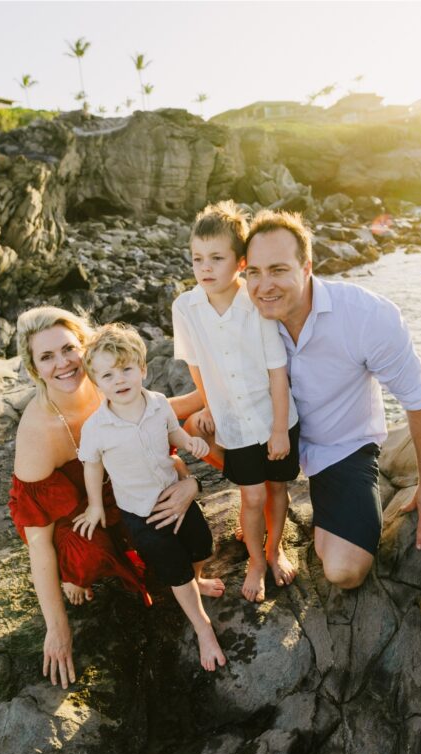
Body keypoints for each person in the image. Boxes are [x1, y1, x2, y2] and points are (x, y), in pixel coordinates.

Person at [9, 307, 219, 689]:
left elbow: (159, 421)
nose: (62, 364)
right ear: (34, 368)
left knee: (178, 513)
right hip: (71, 507)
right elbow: (36, 538)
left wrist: (189, 480)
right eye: (46, 357)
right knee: (84, 553)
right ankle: (73, 574)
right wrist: (57, 628)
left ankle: (184, 572)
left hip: (126, 484)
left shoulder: (107, 378)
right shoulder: (37, 431)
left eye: (68, 349)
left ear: (85, 348)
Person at [244, 209, 421, 589]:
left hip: (340, 448)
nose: (263, 285)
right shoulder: (245, 317)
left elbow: (419, 400)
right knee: (197, 426)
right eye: (253, 272)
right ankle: (257, 500)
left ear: (306, 268)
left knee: (345, 571)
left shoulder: (366, 317)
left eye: (277, 270)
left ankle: (326, 512)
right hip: (272, 440)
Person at [73, 323, 226, 672]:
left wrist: (189, 443)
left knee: (202, 545)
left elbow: (172, 430)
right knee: (174, 567)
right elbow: (92, 467)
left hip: (173, 492)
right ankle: (202, 626)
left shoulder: (157, 403)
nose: (120, 380)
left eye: (127, 369)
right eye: (108, 375)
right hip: (140, 511)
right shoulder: (97, 428)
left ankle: (197, 577)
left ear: (142, 369)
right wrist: (95, 505)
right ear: (96, 383)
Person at [172, 201, 300, 603]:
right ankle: (256, 562)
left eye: (216, 258)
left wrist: (280, 430)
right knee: (252, 495)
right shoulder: (186, 307)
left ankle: (274, 548)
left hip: (274, 417)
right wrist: (208, 405)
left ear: (240, 263)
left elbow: (277, 372)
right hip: (234, 423)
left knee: (278, 489)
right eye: (197, 259)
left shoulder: (255, 304)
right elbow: (196, 365)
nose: (205, 268)